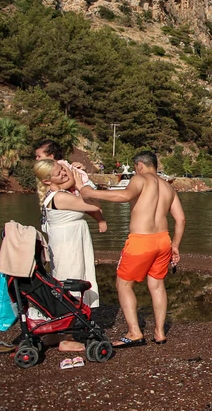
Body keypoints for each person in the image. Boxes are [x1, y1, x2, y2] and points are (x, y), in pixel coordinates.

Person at [80, 150, 185, 347]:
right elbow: (180, 219)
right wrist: (175, 246)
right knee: (156, 285)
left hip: (141, 241)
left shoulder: (140, 178)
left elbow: (123, 195)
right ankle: (160, 333)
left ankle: (135, 332)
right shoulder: (168, 187)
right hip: (163, 240)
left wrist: (90, 193)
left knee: (123, 284)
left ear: (140, 165)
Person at [33, 159, 107, 351]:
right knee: (70, 285)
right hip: (68, 247)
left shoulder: (57, 194)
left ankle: (56, 333)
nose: (64, 174)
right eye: (59, 173)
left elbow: (85, 200)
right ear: (48, 180)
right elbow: (95, 206)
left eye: (63, 170)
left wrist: (75, 176)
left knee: (66, 283)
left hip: (68, 243)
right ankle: (66, 338)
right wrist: (81, 184)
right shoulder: (60, 197)